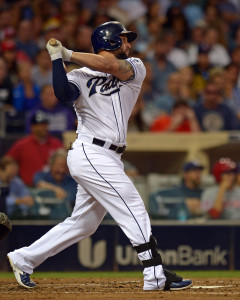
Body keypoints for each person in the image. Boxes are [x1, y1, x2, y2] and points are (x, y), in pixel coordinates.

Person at [7, 21, 192, 291]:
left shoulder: (136, 67)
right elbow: (62, 93)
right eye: (124, 39)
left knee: (84, 223)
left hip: (109, 156)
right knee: (133, 206)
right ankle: (155, 273)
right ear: (109, 41)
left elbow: (110, 67)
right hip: (90, 150)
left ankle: (24, 258)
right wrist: (57, 59)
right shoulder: (79, 75)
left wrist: (67, 53)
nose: (129, 44)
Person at [6, 111, 63, 186]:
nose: (43, 128)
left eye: (44, 125)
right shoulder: (22, 145)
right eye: (39, 125)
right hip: (29, 188)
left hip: (55, 187)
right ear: (32, 127)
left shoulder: (56, 144)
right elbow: (7, 162)